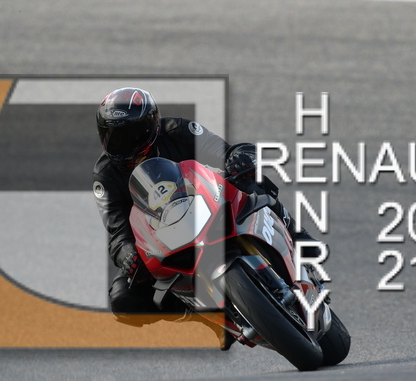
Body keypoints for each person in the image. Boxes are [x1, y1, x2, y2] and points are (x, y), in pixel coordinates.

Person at [92, 87, 320, 325]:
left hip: (208, 202)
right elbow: (117, 231)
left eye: (129, 135)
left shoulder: (177, 130)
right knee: (123, 299)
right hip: (161, 235)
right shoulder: (105, 174)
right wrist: (127, 254)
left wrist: (239, 157)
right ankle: (199, 313)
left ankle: (296, 235)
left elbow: (222, 151)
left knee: (248, 175)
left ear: (151, 126)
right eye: (110, 136)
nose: (119, 145)